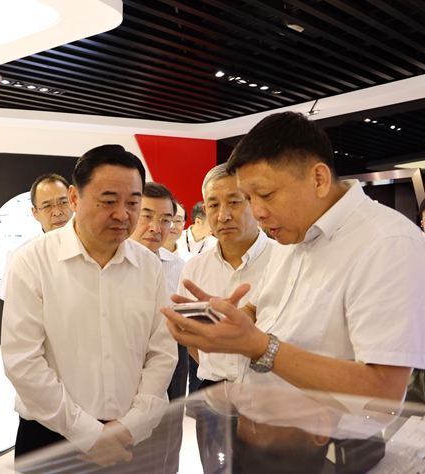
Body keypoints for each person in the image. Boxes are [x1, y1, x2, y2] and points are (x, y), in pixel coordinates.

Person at [163, 111, 425, 403]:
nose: (257, 212)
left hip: (329, 432)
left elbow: (384, 389)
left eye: (266, 195)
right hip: (258, 417)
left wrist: (261, 347)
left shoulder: (387, 242)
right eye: (248, 198)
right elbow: (260, 309)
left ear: (319, 179)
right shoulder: (291, 236)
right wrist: (221, 320)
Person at [1, 144, 178, 468]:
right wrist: (88, 433)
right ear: (74, 198)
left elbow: (162, 353)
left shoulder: (148, 265)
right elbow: (23, 361)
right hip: (52, 438)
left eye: (133, 203)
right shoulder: (33, 261)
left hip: (131, 438)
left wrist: (131, 424)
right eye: (108, 201)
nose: (122, 214)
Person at [179, 164, 275, 473]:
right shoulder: (194, 269)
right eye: (213, 205)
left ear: (254, 202)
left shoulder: (284, 259)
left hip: (272, 399)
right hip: (213, 398)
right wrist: (214, 367)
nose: (223, 215)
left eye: (234, 202)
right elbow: (191, 338)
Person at [129, 182, 186, 474]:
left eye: (166, 220)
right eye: (147, 216)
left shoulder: (180, 266)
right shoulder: (111, 262)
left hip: (172, 354)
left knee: (168, 430)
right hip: (128, 355)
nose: (156, 227)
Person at [0, 173, 73, 300]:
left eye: (63, 202)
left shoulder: (93, 245)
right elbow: (12, 304)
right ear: (35, 213)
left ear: (74, 202)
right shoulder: (20, 254)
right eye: (47, 206)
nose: (57, 212)